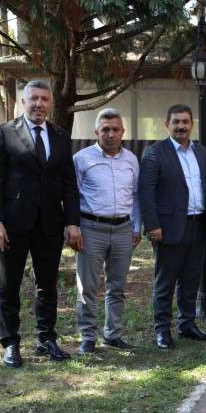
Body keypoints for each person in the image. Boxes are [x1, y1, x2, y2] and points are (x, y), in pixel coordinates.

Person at [0, 80, 81, 367]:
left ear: (50, 103)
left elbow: (69, 184)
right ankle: (10, 343)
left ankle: (46, 338)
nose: (39, 104)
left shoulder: (61, 136)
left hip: (50, 224)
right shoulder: (5, 133)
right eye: (34, 98)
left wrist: (72, 222)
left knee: (47, 285)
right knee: (9, 284)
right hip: (12, 224)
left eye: (44, 99)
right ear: (23, 102)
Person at [139, 104, 206, 350]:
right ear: (167, 124)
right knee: (166, 282)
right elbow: (146, 192)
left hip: (198, 224)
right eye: (176, 122)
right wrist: (152, 225)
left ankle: (187, 325)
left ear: (192, 124)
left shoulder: (201, 152)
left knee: (191, 279)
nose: (181, 126)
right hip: (168, 228)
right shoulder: (154, 153)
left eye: (185, 122)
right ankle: (162, 330)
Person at [72, 108, 141, 354]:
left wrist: (136, 226)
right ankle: (87, 336)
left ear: (123, 132)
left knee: (117, 286)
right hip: (90, 229)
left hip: (123, 229)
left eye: (115, 130)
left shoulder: (131, 160)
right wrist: (73, 227)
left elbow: (136, 195)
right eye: (105, 129)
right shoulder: (81, 159)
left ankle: (113, 334)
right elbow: (71, 196)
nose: (111, 134)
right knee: (87, 286)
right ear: (96, 132)